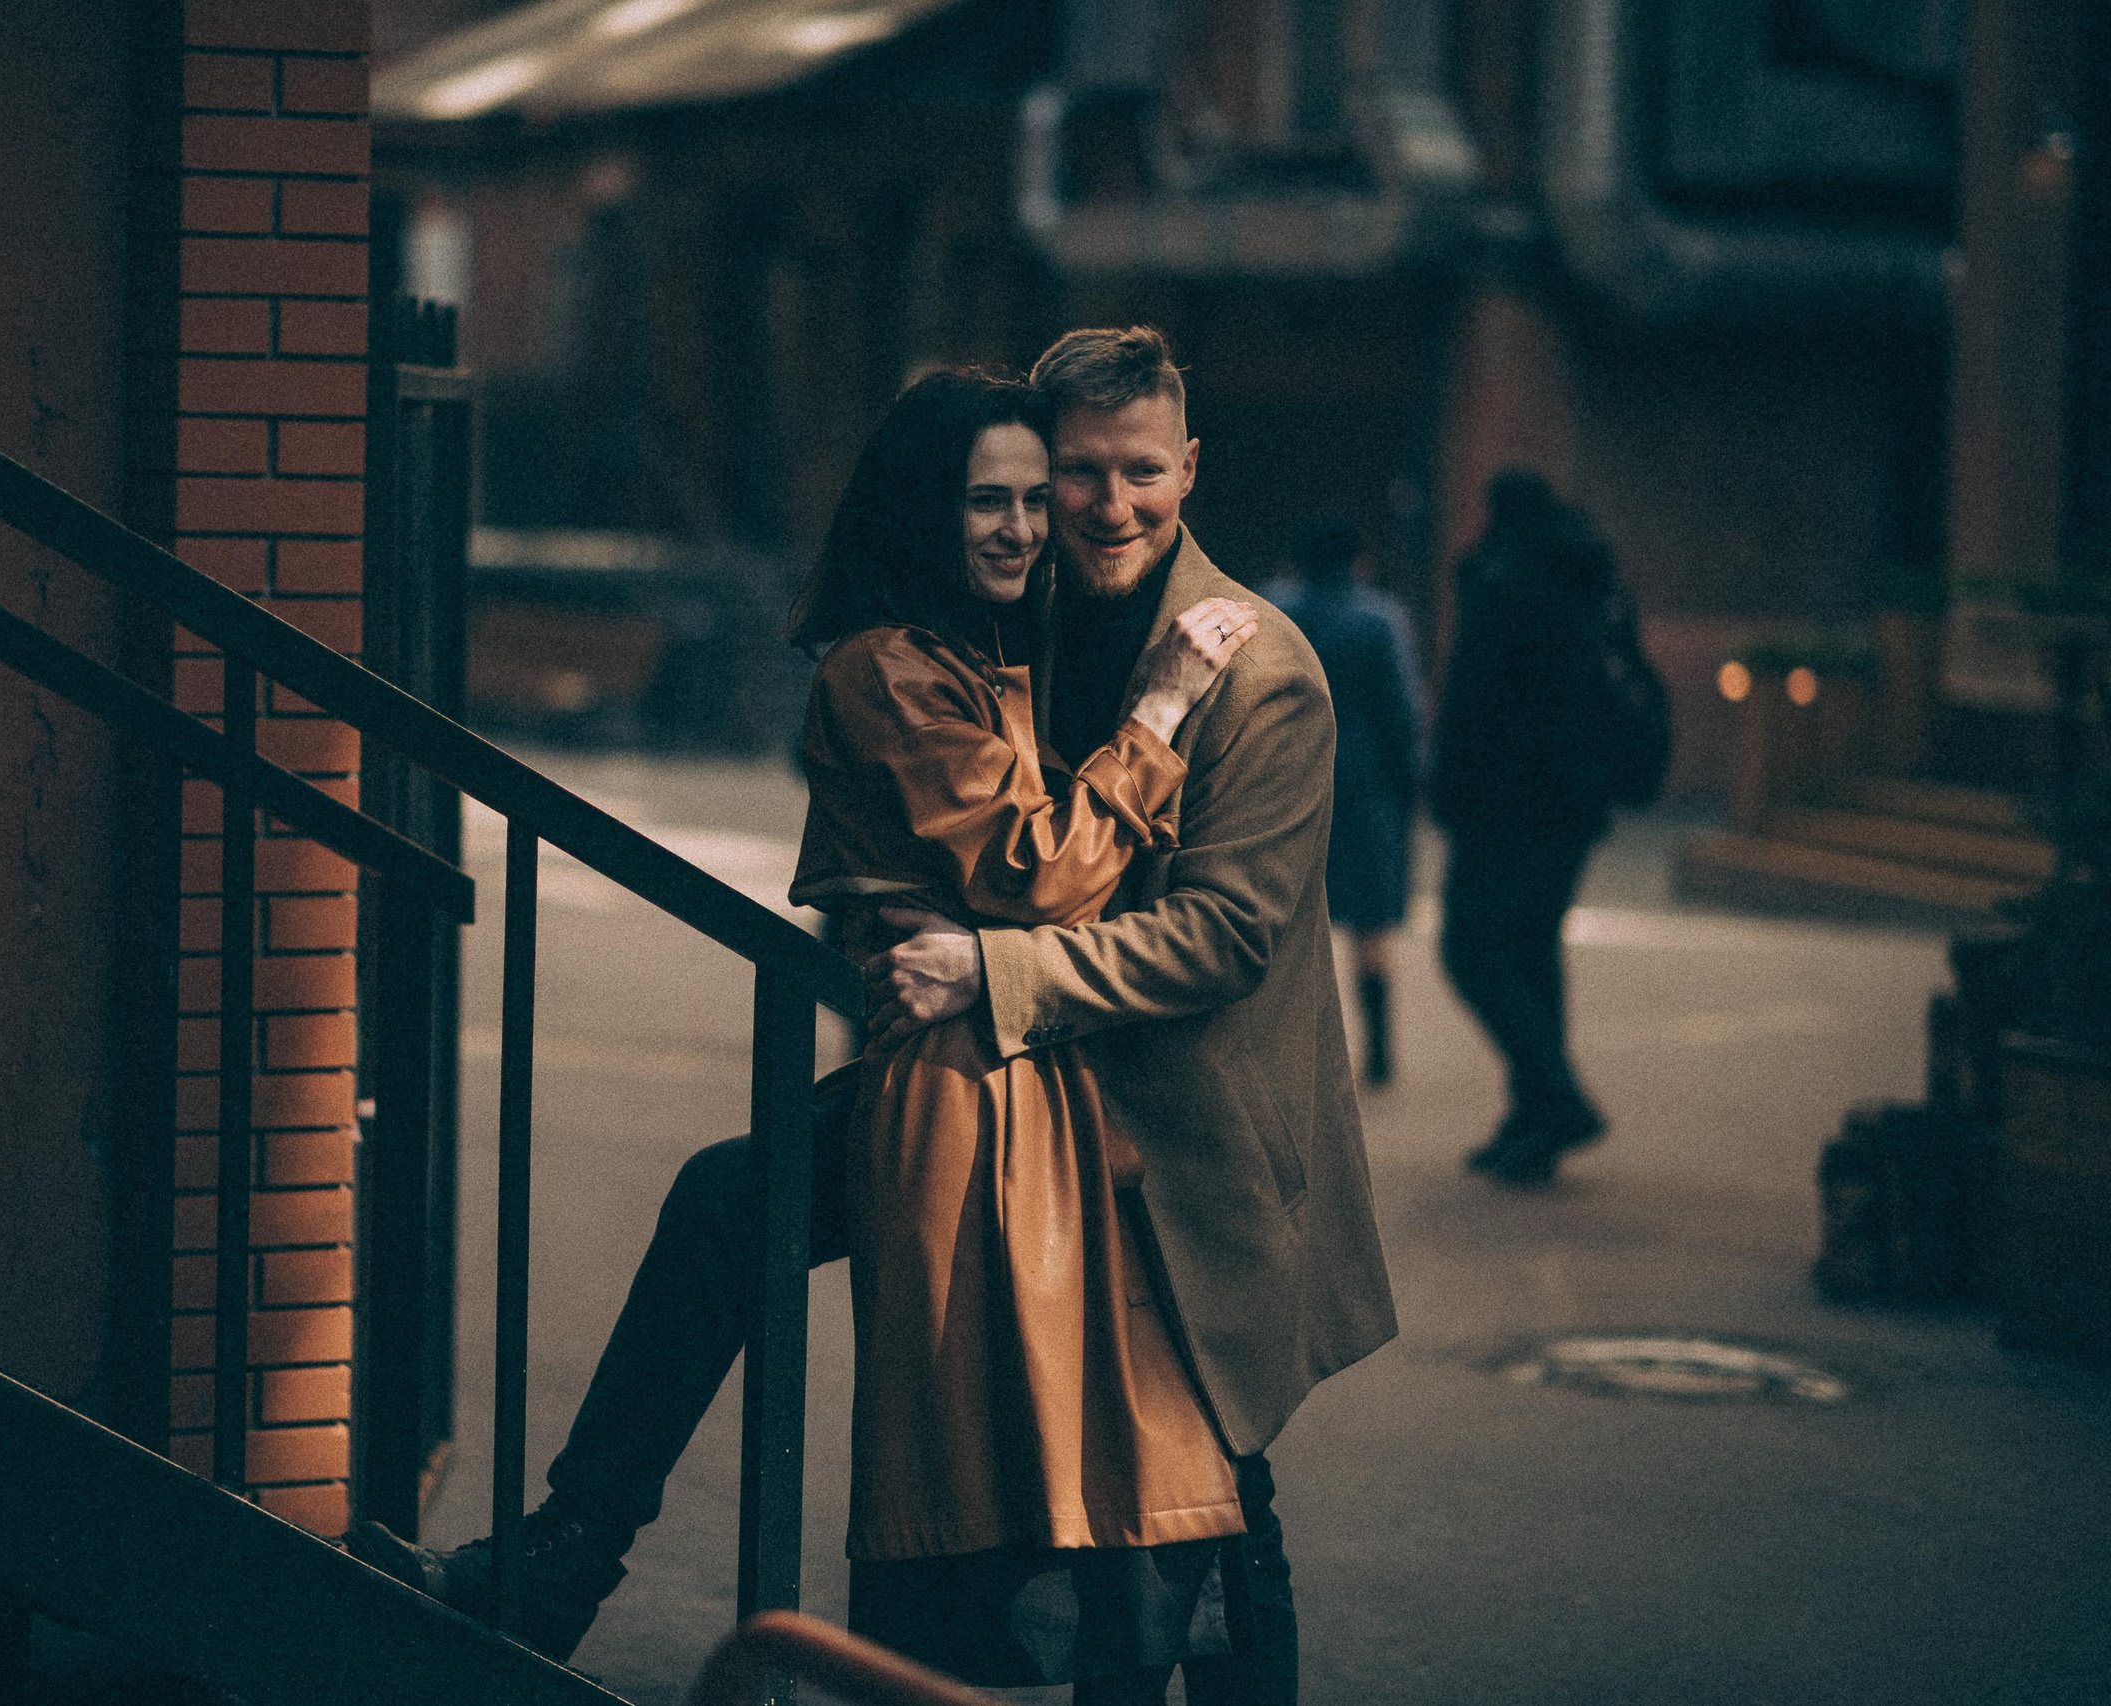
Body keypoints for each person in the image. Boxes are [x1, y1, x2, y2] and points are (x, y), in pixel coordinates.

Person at [353, 331, 1397, 1704]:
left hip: (1173, 1126)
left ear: (1189, 467)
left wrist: (990, 970)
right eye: (1066, 475)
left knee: (1205, 1497)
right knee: (734, 1201)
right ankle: (561, 1558)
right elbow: (930, 807)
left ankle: (562, 1561)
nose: (1096, 506)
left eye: (1136, 471)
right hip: (1016, 1094)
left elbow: (1223, 933)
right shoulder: (1027, 617)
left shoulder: (1254, 670)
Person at [783, 367, 1263, 1696]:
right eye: (981, 501)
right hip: (966, 1098)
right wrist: (1160, 711)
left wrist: (990, 960)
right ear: (918, 514)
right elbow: (1037, 867)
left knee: (1118, 1460)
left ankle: (558, 1552)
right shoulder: (889, 666)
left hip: (1039, 1082)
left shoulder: (997, 655)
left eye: (1025, 497)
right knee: (1024, 1459)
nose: (1019, 526)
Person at [1430, 469, 1632, 1186]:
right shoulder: (1594, 575)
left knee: (1470, 950)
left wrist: (1447, 786)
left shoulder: (1501, 578)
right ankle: (1534, 1121)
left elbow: (1473, 694)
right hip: (1576, 798)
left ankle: (1557, 1097)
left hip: (1503, 801)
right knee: (1532, 950)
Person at [1260, 520, 1426, 1086]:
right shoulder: (1379, 619)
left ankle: (1293, 1050)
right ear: (1359, 558)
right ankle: (1378, 1051)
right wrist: (1413, 782)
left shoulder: (1272, 609)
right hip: (1365, 789)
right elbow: (1402, 713)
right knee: (1371, 923)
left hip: (1285, 783)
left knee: (1292, 917)